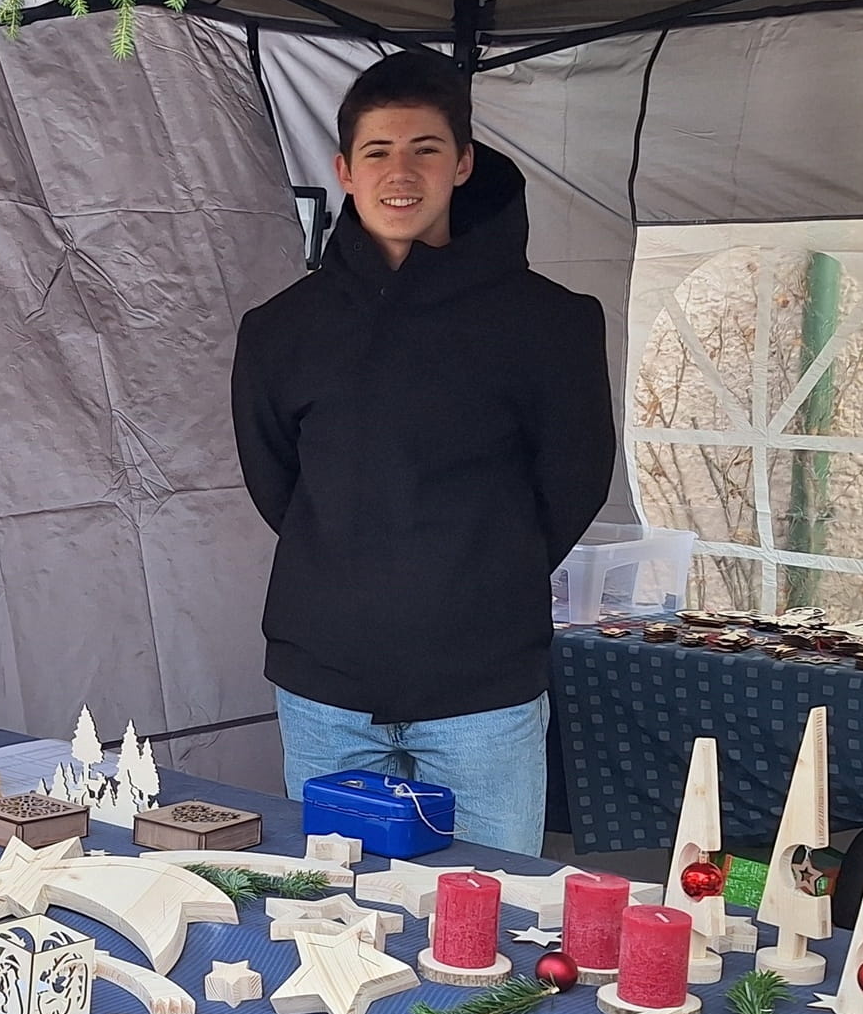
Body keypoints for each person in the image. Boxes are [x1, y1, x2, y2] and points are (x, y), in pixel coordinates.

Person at [230, 48, 617, 854]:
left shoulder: (550, 323)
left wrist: (483, 570)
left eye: (425, 149)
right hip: (325, 684)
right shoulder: (281, 329)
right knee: (335, 903)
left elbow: (574, 481)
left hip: (484, 688)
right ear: (344, 170)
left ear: (463, 163)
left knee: (495, 905)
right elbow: (278, 484)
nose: (400, 173)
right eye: (377, 152)